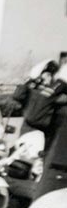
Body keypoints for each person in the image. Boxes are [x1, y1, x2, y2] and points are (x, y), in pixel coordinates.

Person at [26, 64, 67, 199]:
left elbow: (34, 116)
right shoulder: (61, 106)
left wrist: (59, 84)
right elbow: (35, 117)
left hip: (58, 170)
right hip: (57, 170)